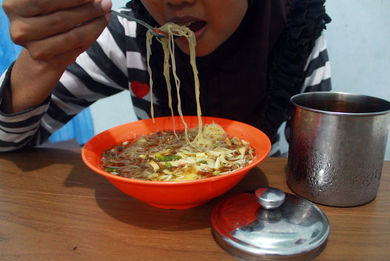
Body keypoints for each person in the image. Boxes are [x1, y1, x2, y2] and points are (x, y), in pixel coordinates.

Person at [0, 0, 331, 155]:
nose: (176, 1)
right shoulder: (130, 34)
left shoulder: (297, 31)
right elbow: (8, 142)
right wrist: (42, 58)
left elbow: (318, 160)